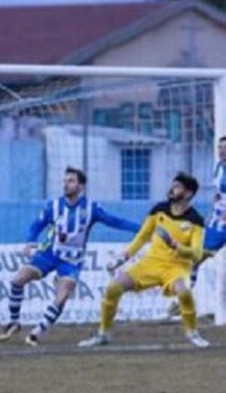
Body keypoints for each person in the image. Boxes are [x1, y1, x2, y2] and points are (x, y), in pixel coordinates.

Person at [0, 167, 138, 345]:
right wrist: (30, 241)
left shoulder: (91, 208)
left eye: (71, 181)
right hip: (48, 253)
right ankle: (14, 322)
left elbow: (116, 221)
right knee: (18, 280)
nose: (66, 184)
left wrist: (143, 229)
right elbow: (36, 225)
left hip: (71, 261)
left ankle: (36, 333)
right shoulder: (54, 206)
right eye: (65, 181)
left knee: (62, 295)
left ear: (81, 186)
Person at [79, 172, 209, 349]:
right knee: (113, 287)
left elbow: (196, 254)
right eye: (173, 185)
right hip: (150, 264)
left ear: (188, 193)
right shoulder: (159, 210)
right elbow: (142, 236)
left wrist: (176, 246)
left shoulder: (196, 220)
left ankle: (193, 333)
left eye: (177, 187)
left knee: (184, 292)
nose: (172, 189)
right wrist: (122, 258)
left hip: (176, 268)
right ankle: (103, 334)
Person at [167, 135, 226, 320]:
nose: (221, 151)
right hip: (218, 223)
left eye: (224, 148)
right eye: (219, 147)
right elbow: (218, 196)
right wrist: (212, 215)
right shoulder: (218, 168)